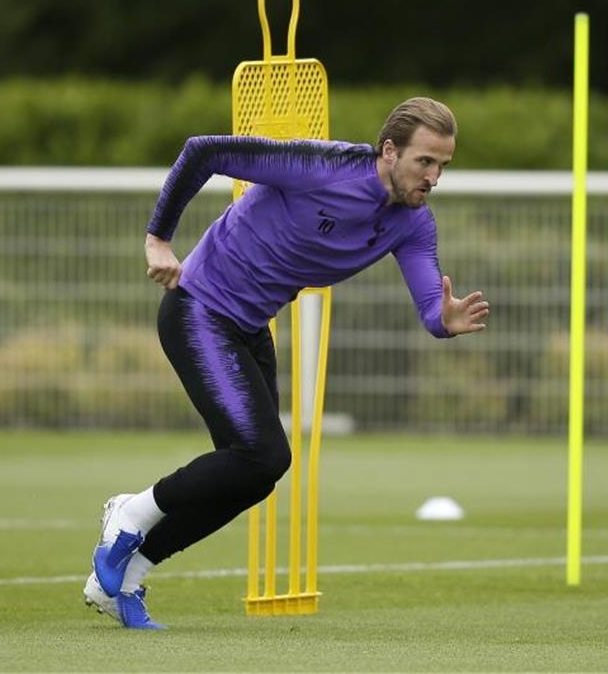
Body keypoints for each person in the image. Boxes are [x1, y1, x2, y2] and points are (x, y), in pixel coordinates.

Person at [83, 96, 490, 629]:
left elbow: (429, 306)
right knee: (260, 453)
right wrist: (158, 240)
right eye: (426, 162)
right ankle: (130, 513)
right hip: (198, 311)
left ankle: (125, 577)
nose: (434, 177)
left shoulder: (413, 224)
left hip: (249, 328)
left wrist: (445, 320)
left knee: (259, 473)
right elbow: (202, 152)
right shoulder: (320, 166)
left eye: (443, 166)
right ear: (389, 151)